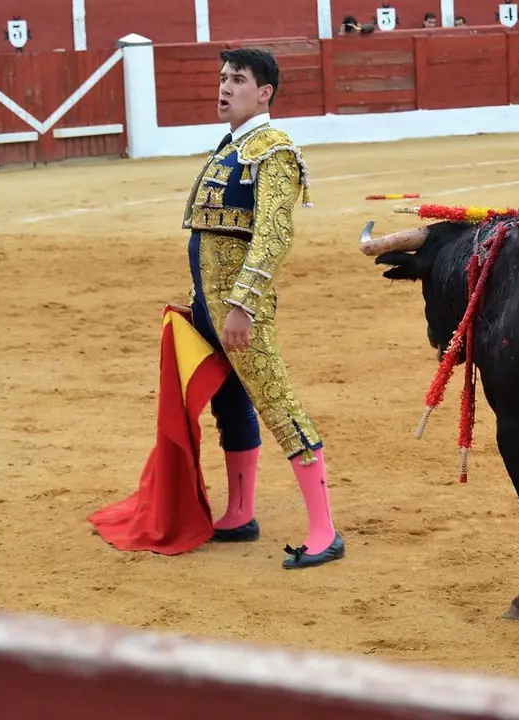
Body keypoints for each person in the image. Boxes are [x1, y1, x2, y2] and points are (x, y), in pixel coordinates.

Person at [179, 47, 345, 570]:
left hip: (239, 311)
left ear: (265, 91)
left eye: (239, 80)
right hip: (211, 305)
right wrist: (201, 303)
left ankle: (324, 530)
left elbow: (273, 236)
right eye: (223, 78)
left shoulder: (273, 150)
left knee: (277, 403)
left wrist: (242, 306)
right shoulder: (233, 146)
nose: (225, 87)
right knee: (231, 406)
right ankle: (241, 512)